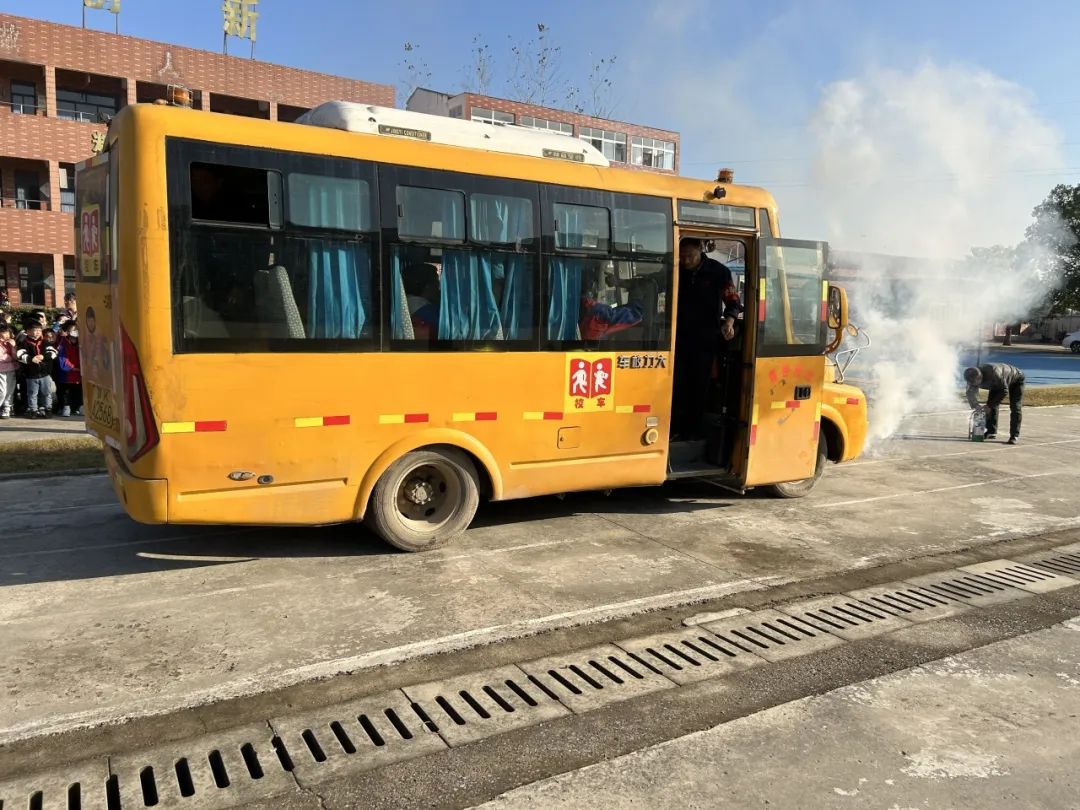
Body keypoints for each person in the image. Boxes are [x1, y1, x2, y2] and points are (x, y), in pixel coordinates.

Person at [672, 238, 743, 438]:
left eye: (689, 256)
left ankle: (693, 432)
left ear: (700, 250)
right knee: (676, 384)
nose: (685, 261)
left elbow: (733, 300)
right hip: (676, 337)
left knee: (698, 385)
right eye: (682, 256)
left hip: (704, 339)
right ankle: (675, 429)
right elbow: (653, 279)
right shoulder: (675, 268)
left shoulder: (718, 272)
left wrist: (729, 322)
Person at [964, 363, 1025, 444]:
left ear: (980, 377)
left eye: (977, 382)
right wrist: (976, 405)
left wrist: (989, 406)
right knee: (991, 404)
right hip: (997, 384)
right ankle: (991, 432)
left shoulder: (994, 373)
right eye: (973, 383)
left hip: (1016, 379)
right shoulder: (971, 377)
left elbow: (1004, 390)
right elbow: (969, 393)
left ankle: (1014, 435)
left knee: (1015, 407)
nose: (976, 385)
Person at [16, 319, 57, 418]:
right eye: (35, 330)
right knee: (32, 393)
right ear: (28, 331)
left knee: (46, 393)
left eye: (39, 330)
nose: (38, 332)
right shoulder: (24, 343)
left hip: (45, 373)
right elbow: (20, 355)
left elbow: (53, 352)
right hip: (31, 374)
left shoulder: (45, 342)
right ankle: (33, 410)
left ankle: (47, 409)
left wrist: (44, 356)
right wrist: (31, 359)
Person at [402, 263, 441, 340]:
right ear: (428, 286)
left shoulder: (405, 302)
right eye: (436, 284)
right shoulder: (426, 310)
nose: (438, 289)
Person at [56, 320, 82, 417]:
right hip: (67, 373)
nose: (75, 330)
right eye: (73, 329)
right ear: (67, 330)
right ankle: (66, 407)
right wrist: (72, 368)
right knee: (66, 391)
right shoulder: (63, 342)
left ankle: (77, 407)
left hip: (79, 372)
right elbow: (62, 358)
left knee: (78, 390)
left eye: (76, 328)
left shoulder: (81, 341)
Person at [0, 323, 17, 419]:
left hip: (11, 368)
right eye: (3, 333)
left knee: (10, 390)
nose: (6, 335)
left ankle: (7, 408)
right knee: (2, 391)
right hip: (1, 369)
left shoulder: (11, 343)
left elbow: (16, 357)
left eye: (8, 333)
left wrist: (14, 347)